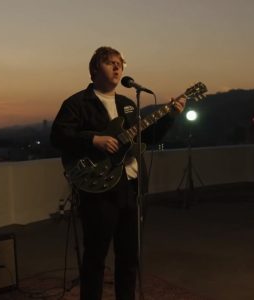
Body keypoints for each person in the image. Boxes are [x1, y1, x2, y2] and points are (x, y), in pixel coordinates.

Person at [50, 46, 185, 300]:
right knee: (95, 258)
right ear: (94, 70)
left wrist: (170, 116)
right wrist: (93, 140)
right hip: (98, 189)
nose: (117, 67)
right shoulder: (77, 103)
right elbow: (58, 136)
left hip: (130, 187)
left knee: (128, 256)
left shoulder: (127, 105)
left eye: (120, 63)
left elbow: (148, 137)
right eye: (110, 62)